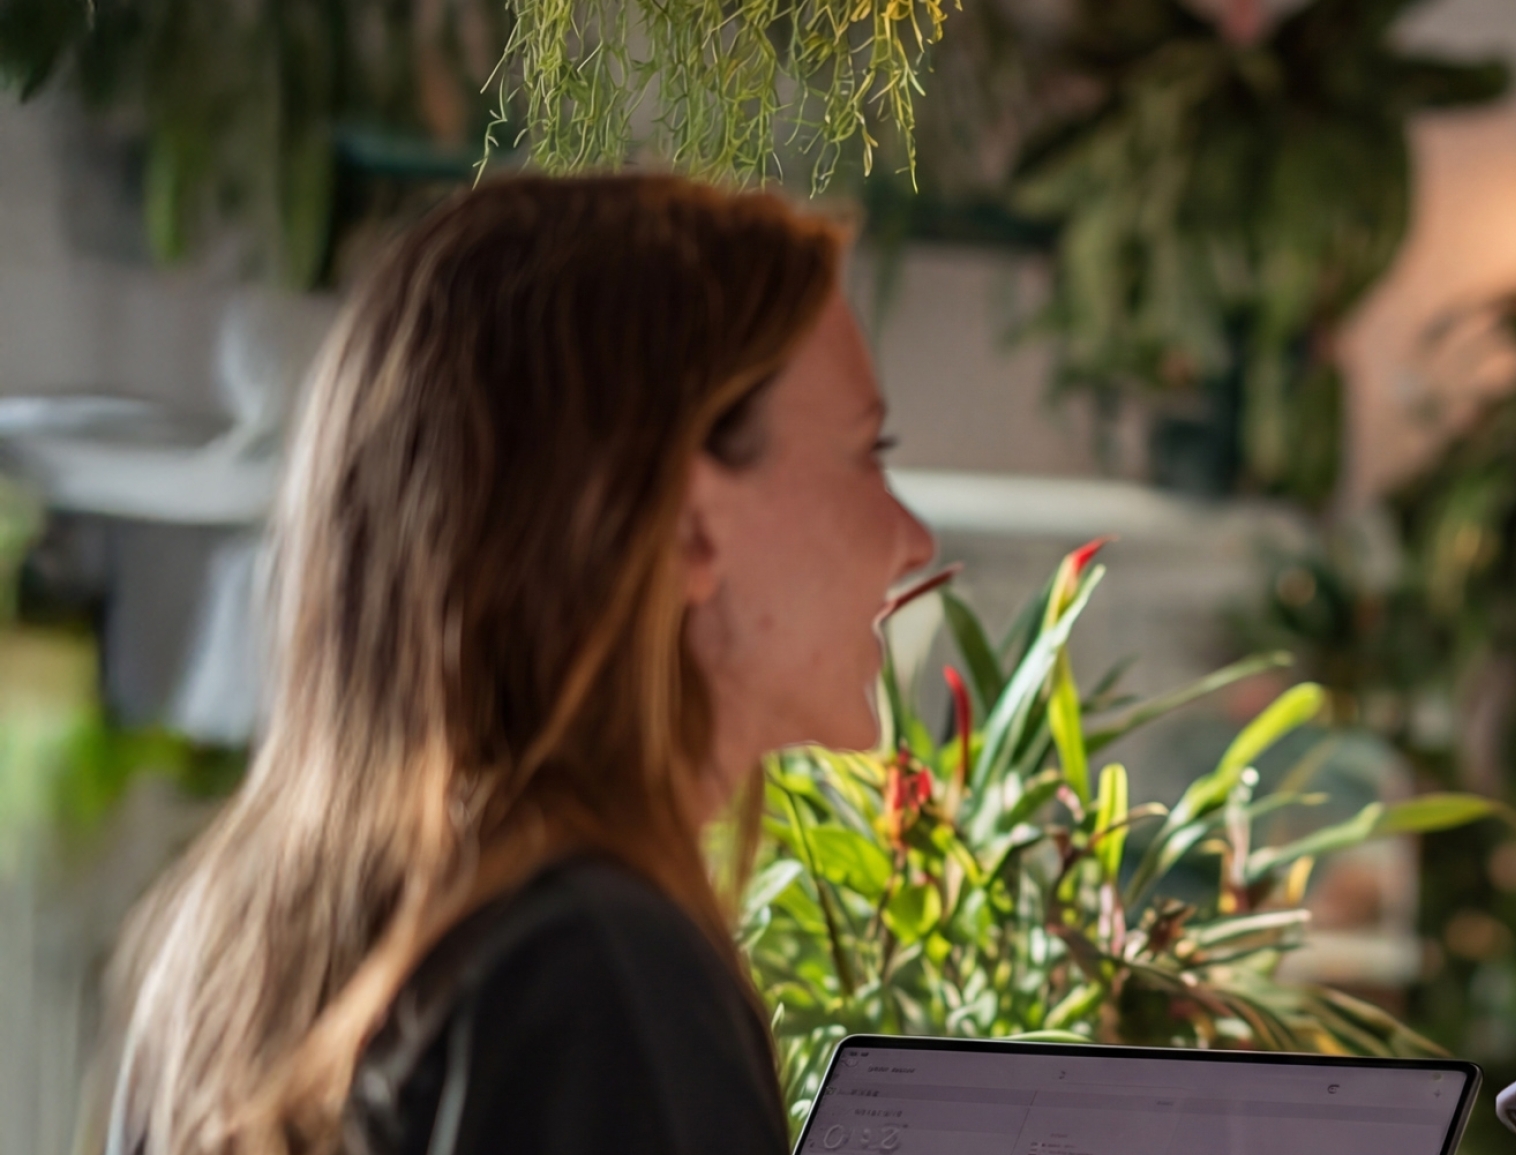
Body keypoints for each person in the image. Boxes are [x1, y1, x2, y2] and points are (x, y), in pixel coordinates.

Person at [100, 175, 938, 1155]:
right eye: (866, 454)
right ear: (687, 524)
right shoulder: (602, 976)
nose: (911, 538)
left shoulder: (229, 953)